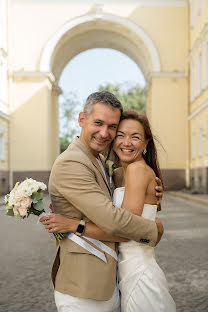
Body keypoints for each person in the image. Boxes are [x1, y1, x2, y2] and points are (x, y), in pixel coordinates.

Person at [41, 91, 164, 312]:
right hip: (84, 285)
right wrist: (153, 228)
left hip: (111, 280)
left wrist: (149, 196)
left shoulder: (100, 160)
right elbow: (115, 220)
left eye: (112, 126)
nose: (104, 133)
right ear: (81, 119)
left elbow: (119, 198)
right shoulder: (72, 162)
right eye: (98, 123)